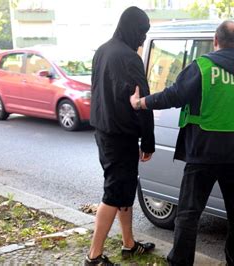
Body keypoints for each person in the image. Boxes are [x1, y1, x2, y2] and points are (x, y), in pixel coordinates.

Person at [130, 21, 234, 266]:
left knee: (189, 214)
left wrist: (141, 103)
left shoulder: (203, 67)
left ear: (216, 40)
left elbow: (173, 95)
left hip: (205, 151)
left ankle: (180, 262)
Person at [86, 6, 156, 266]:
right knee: (114, 193)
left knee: (124, 189)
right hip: (121, 135)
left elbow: (97, 91)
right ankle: (93, 256)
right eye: (142, 32)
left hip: (103, 132)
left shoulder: (102, 50)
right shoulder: (129, 58)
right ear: (132, 29)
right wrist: (148, 141)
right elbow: (143, 102)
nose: (143, 38)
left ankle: (129, 244)